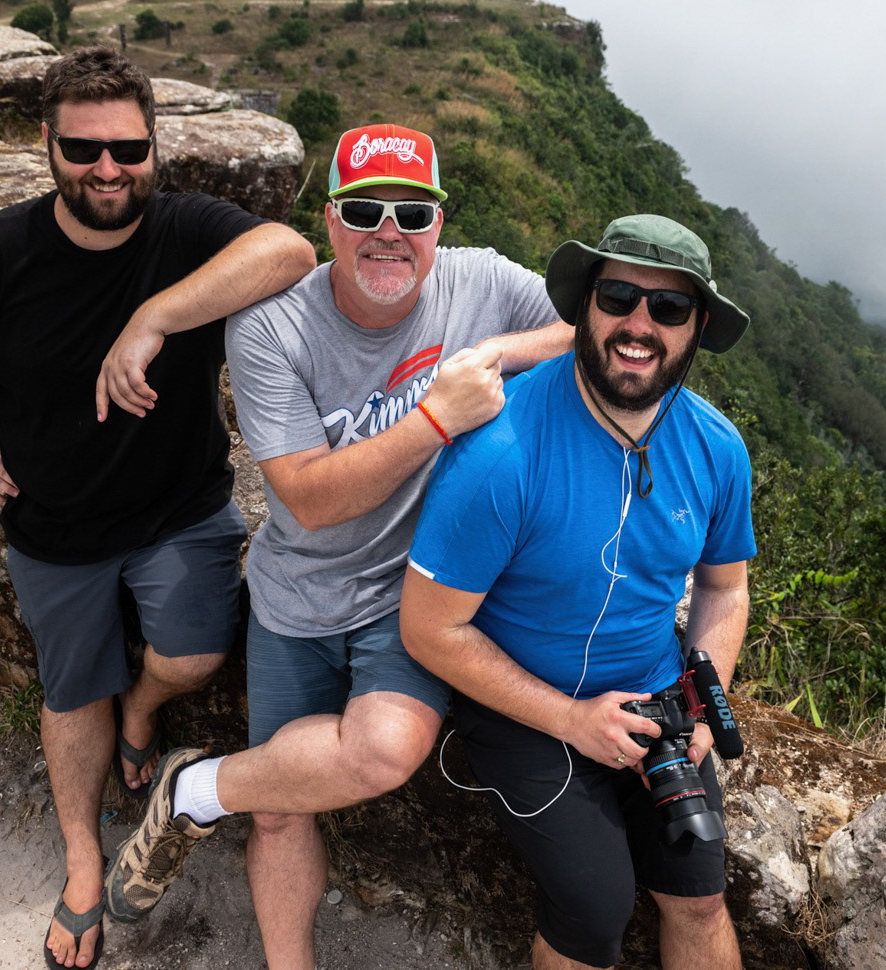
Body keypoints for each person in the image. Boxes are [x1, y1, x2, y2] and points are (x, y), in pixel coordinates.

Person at [0, 46, 316, 970]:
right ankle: (83, 861)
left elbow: (290, 250)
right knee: (72, 693)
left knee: (192, 657)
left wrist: (153, 317)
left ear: (155, 147)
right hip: (58, 526)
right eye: (83, 149)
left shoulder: (187, 231)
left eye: (127, 149)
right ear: (47, 145)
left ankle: (145, 710)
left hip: (181, 511)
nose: (107, 170)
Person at [101, 123, 572, 969]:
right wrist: (437, 416)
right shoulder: (271, 329)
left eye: (411, 212)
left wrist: (495, 353)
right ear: (331, 222)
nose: (389, 230)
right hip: (301, 588)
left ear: (439, 223)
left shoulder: (485, 282)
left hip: (416, 593)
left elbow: (593, 333)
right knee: (282, 809)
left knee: (385, 749)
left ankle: (195, 789)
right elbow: (310, 500)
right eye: (366, 210)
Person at [399, 214, 757, 970]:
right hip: (525, 702)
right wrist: (568, 717)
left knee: (699, 895)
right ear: (584, 307)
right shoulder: (502, 453)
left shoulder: (717, 448)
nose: (639, 324)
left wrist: (705, 694)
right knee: (596, 908)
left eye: (668, 309)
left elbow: (724, 592)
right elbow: (429, 629)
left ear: (696, 330)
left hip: (656, 698)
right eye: (619, 296)